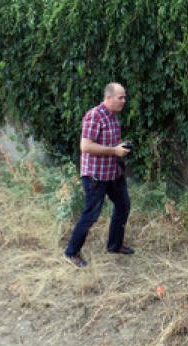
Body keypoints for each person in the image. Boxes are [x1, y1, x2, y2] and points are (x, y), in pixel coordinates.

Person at [64, 82, 134, 268]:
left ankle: (115, 245)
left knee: (123, 205)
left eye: (124, 97)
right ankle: (71, 252)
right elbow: (85, 146)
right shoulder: (94, 115)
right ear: (109, 97)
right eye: (121, 97)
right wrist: (114, 151)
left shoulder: (113, 117)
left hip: (113, 172)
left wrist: (122, 147)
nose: (124, 101)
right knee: (91, 214)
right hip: (95, 176)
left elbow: (111, 143)